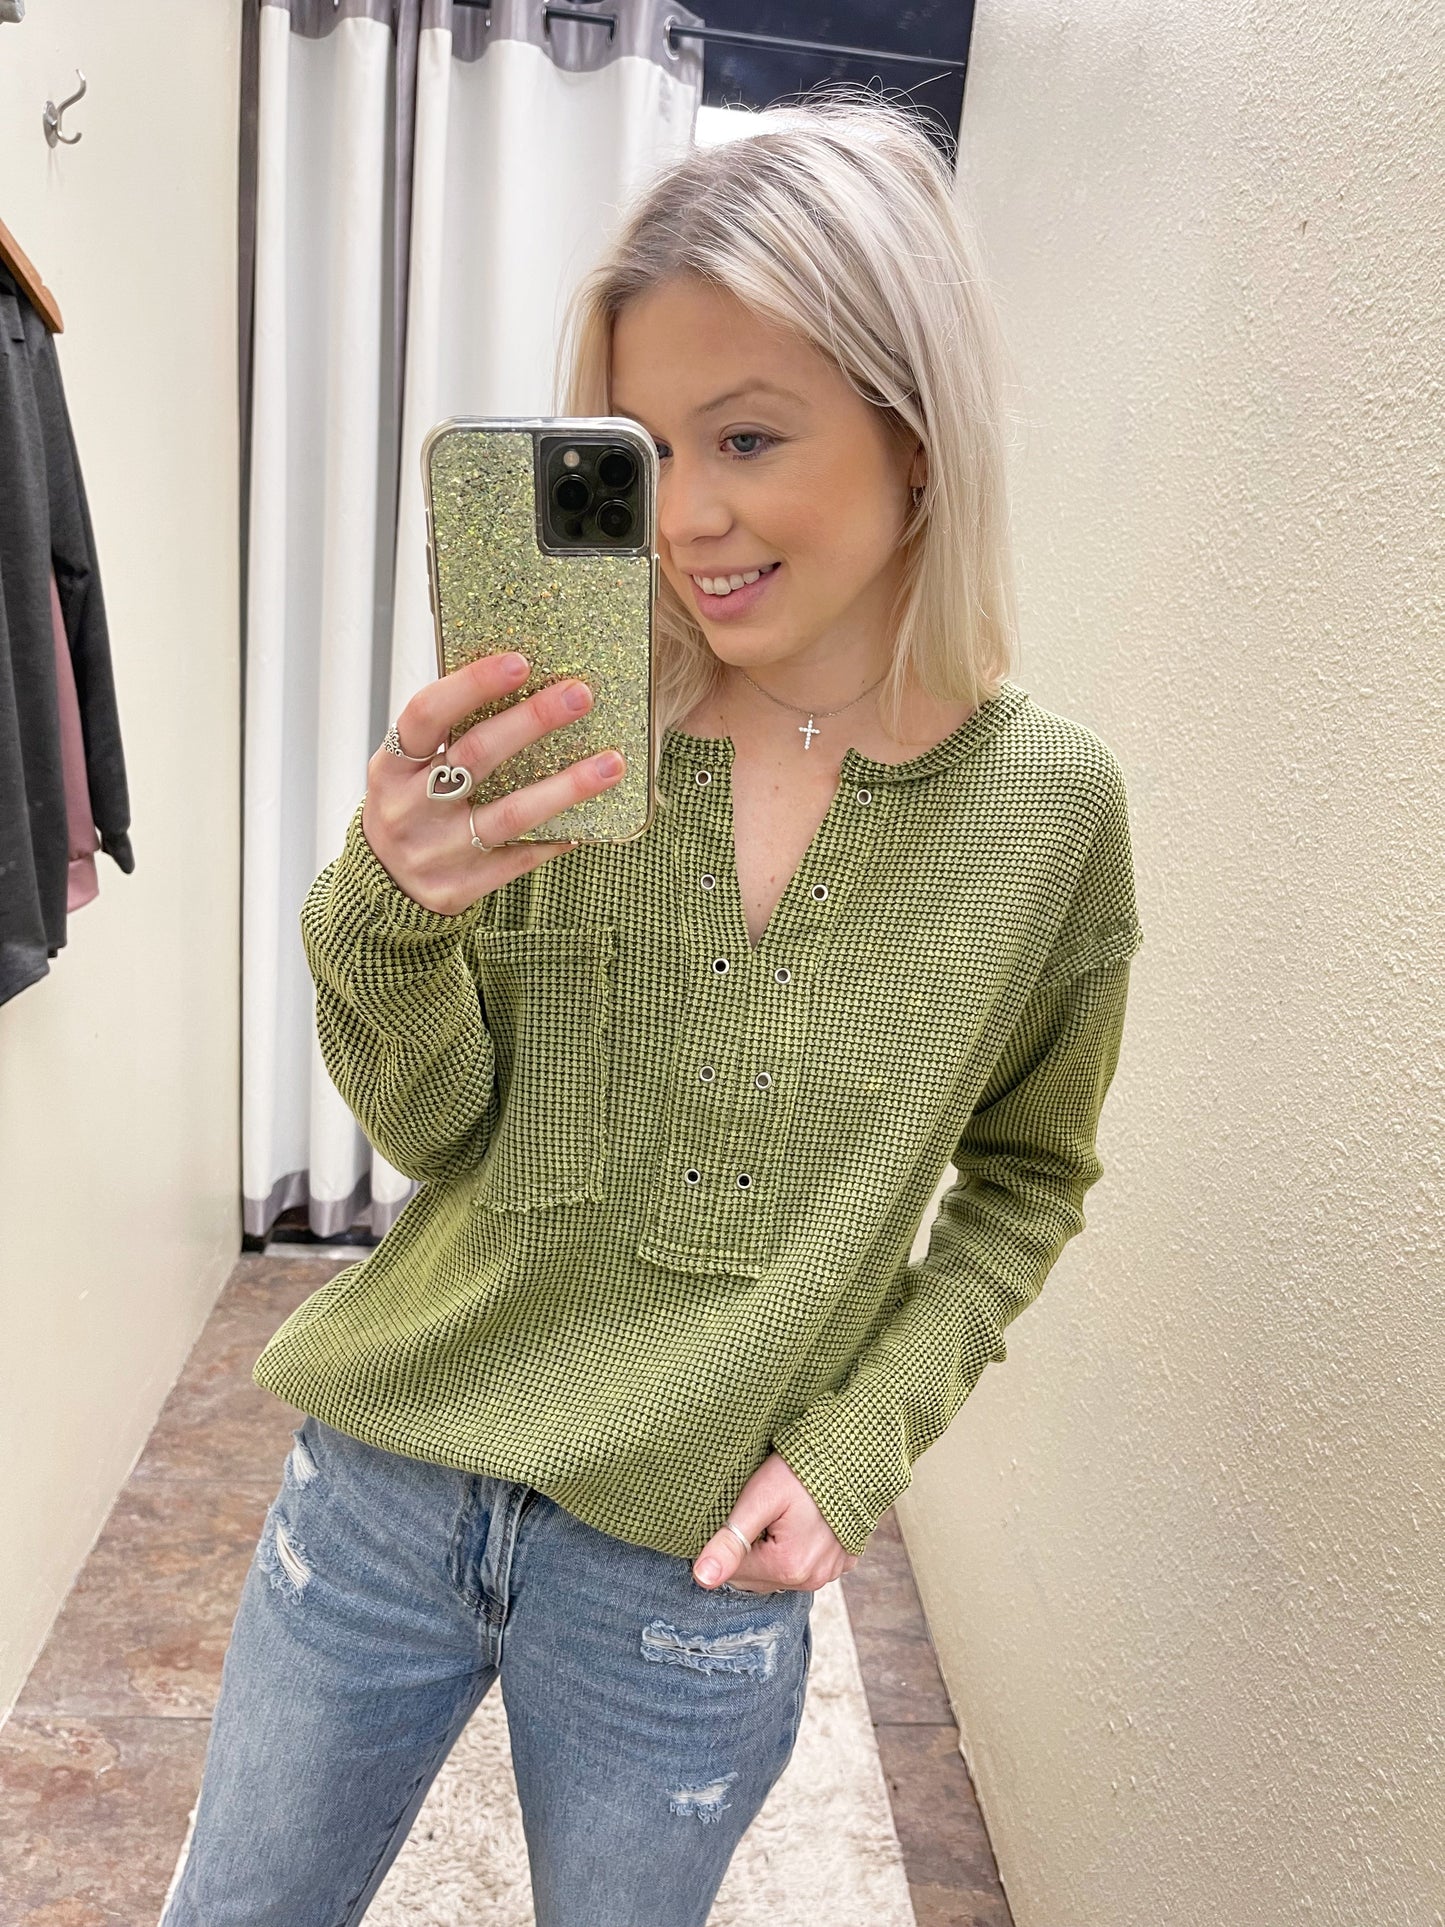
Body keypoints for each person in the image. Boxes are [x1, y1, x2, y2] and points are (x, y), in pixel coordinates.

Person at [163, 90, 1144, 1927]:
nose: (684, 519)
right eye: (643, 447)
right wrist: (389, 905)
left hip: (684, 1572)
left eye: (747, 437)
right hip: (385, 1491)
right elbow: (435, 1130)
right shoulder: (573, 739)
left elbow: (1027, 1182)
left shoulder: (1047, 817)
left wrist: (853, 1449)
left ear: (915, 432)